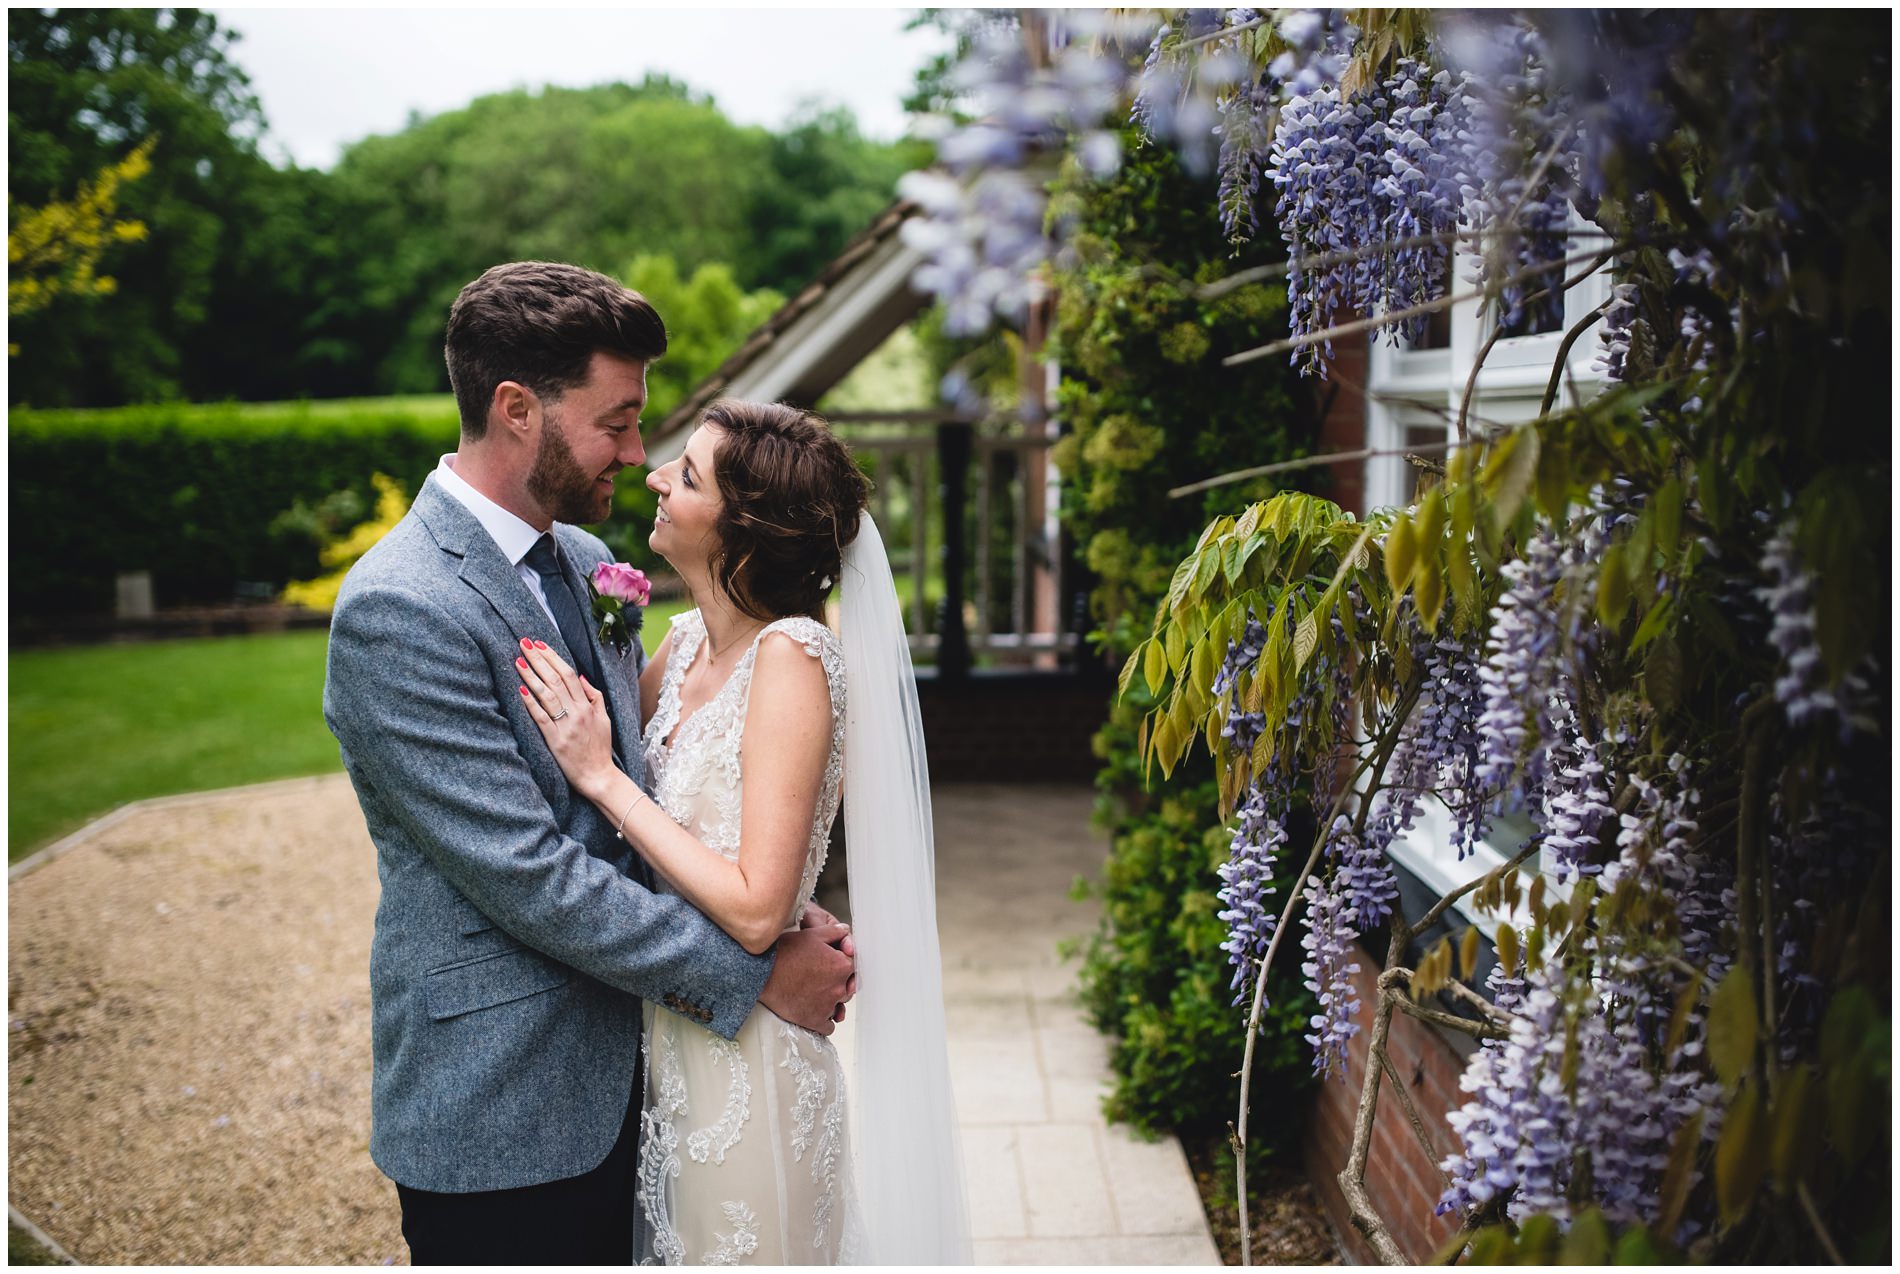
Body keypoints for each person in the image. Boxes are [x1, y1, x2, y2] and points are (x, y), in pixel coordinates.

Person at [322, 262, 856, 1266]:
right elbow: (532, 872)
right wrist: (754, 967)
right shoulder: (399, 609)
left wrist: (775, 896)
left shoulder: (578, 558)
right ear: (517, 408)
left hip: (654, 1084)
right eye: (615, 422)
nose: (637, 450)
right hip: (505, 1107)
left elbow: (658, 785)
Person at [516, 398, 971, 1263]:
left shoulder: (793, 659)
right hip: (666, 1051)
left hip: (748, 1080)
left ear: (743, 534)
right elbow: (646, 855)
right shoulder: (682, 644)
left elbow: (759, 910)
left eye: (686, 476)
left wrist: (603, 776)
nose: (653, 475)